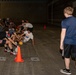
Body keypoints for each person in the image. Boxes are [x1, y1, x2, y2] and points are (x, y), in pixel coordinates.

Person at [60, 6, 76, 75]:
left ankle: (67, 70)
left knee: (67, 56)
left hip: (68, 42)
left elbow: (63, 33)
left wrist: (61, 44)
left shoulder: (65, 21)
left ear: (65, 13)